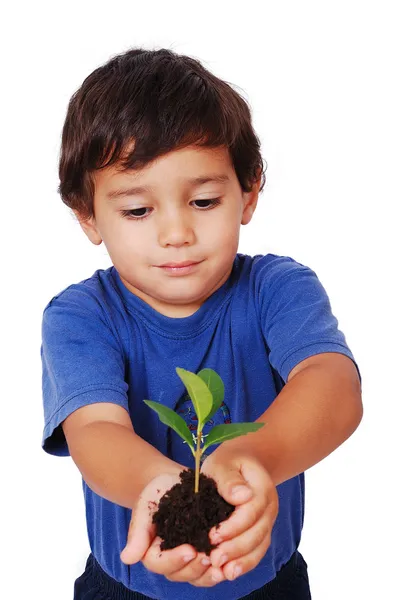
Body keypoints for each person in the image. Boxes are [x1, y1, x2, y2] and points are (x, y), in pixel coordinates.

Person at [41, 47, 363, 600]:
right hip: (124, 588)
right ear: (87, 216)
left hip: (270, 583)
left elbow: (332, 383)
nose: (176, 234)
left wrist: (251, 455)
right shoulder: (80, 316)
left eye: (205, 200)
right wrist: (158, 487)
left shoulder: (277, 290)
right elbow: (95, 430)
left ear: (249, 192)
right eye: (138, 211)